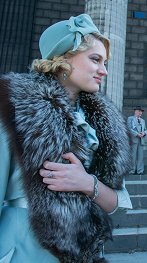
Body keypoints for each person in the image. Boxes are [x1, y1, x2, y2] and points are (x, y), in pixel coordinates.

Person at [0, 14, 133, 263]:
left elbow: (118, 202)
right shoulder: (13, 107)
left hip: (82, 251)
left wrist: (86, 182)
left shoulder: (103, 125)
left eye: (105, 62)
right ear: (63, 60)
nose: (104, 71)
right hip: (20, 249)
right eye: (95, 60)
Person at [127, 106, 147, 175]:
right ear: (135, 111)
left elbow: (146, 130)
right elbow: (129, 128)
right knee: (133, 156)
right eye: (139, 111)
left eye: (141, 111)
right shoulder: (130, 119)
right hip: (134, 139)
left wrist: (143, 133)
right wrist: (137, 134)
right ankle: (132, 170)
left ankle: (140, 170)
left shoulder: (142, 120)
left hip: (141, 140)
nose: (140, 113)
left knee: (140, 156)